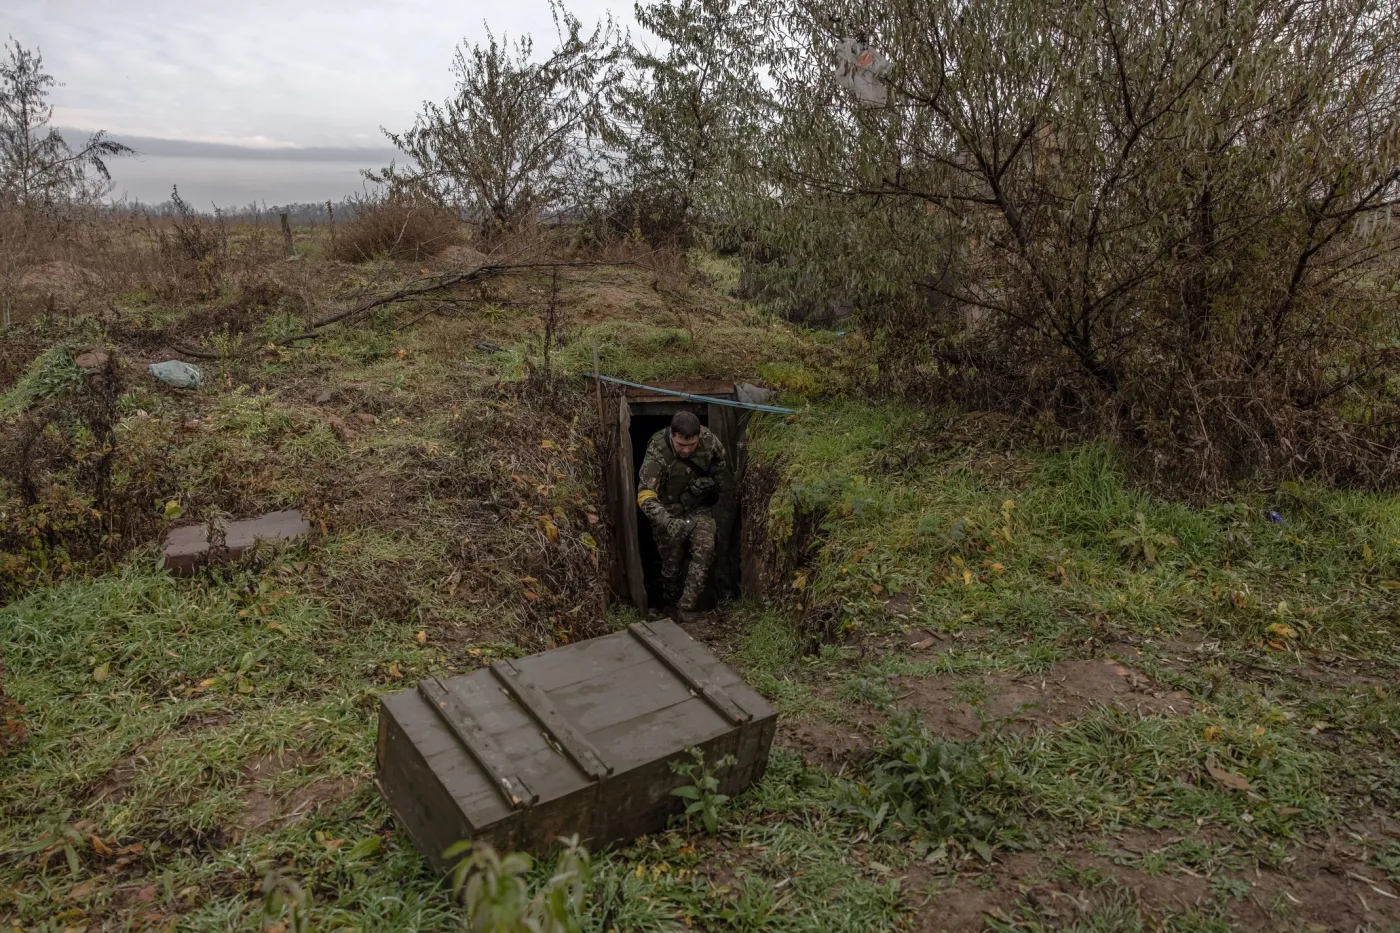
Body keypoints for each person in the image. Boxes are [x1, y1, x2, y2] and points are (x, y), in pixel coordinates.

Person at [636, 410, 733, 621]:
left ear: (699, 435)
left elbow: (721, 464)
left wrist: (709, 482)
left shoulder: (709, 441)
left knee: (705, 549)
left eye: (692, 445)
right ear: (672, 435)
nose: (687, 450)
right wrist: (666, 521)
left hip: (698, 507)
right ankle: (669, 605)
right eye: (681, 445)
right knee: (672, 565)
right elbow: (645, 496)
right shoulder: (657, 451)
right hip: (667, 510)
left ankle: (686, 608)